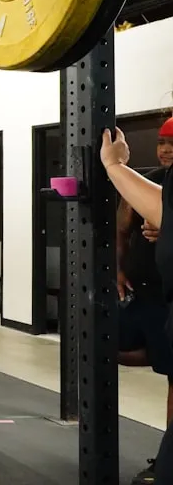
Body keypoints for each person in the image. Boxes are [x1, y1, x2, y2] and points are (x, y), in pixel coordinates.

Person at [103, 126, 173, 485]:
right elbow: (120, 227)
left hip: (166, 299)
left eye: (171, 144)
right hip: (141, 294)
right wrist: (117, 269)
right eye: (161, 143)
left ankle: (163, 459)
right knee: (107, 343)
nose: (164, 150)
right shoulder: (145, 182)